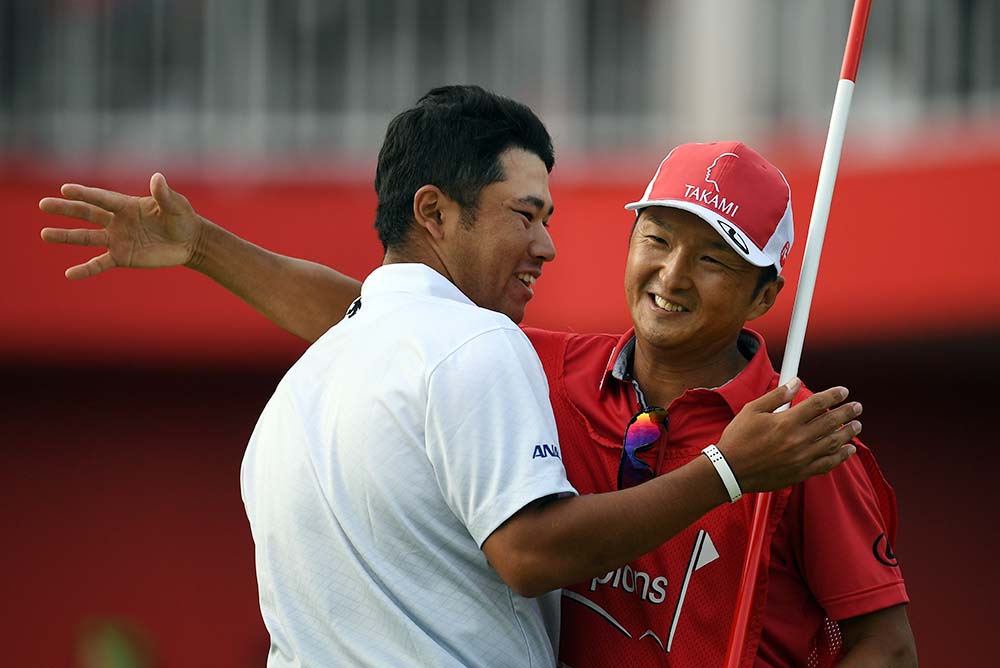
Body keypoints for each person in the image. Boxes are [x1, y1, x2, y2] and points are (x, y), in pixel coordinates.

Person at [39, 102, 909, 665]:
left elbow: (886, 645)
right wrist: (204, 248)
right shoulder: (541, 368)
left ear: (765, 293)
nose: (672, 275)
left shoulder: (799, 434)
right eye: (657, 239)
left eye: (714, 258)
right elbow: (377, 320)